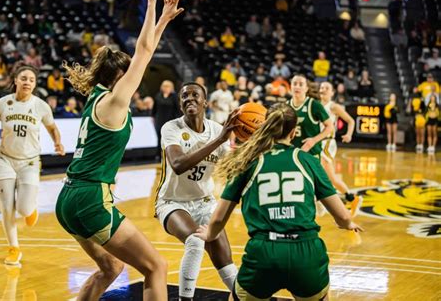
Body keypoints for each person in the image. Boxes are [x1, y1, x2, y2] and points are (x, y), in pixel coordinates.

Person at [55, 0, 183, 300]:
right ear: (121, 76)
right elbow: (144, 51)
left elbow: (143, 53)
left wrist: (162, 17)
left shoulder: (95, 98)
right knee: (156, 266)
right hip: (90, 199)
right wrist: (154, 6)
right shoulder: (115, 101)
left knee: (111, 267)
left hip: (68, 197)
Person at [195, 103, 364, 301]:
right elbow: (343, 215)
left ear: (265, 126)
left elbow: (218, 219)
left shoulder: (248, 161)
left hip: (264, 254)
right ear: (293, 132)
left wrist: (210, 233)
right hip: (306, 253)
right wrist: (348, 224)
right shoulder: (307, 160)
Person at [155, 82, 239, 300]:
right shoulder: (171, 128)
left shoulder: (217, 129)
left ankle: (242, 296)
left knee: (224, 260)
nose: (189, 98)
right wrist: (220, 140)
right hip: (172, 202)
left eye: (195, 95)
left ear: (205, 103)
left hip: (205, 202)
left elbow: (233, 168)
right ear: (180, 104)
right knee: (195, 240)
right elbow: (178, 164)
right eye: (185, 96)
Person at [0, 65, 65, 265]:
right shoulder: (1, 104)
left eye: (32, 80)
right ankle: (14, 248)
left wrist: (57, 142)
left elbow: (52, 127)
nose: (27, 82)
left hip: (30, 161)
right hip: (5, 160)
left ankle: (30, 209)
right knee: (7, 207)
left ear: (35, 84)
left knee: (24, 209)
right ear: (15, 80)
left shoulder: (41, 106)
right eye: (24, 78)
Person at [319, 82, 358, 204]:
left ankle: (345, 198)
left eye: (327, 88)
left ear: (332, 93)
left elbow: (350, 121)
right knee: (330, 177)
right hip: (317, 142)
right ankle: (349, 196)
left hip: (327, 143)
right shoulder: (315, 105)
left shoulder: (333, 106)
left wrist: (349, 134)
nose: (323, 89)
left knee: (327, 175)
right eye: (322, 87)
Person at [289, 75, 334, 158]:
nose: (297, 86)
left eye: (301, 84)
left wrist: (313, 141)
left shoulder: (314, 105)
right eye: (294, 84)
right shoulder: (286, 106)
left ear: (306, 88)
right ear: (290, 87)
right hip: (291, 153)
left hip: (311, 153)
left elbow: (330, 126)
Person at [152, 80, 181, 160]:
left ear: (171, 87)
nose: (165, 88)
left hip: (170, 121)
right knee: (159, 138)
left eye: (167, 86)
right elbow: (154, 108)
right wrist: (153, 117)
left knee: (169, 139)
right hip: (159, 120)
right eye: (164, 86)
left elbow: (178, 110)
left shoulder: (174, 96)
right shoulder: (158, 95)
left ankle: (171, 155)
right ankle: (159, 155)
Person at [407, 87, 426, 153]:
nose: (415, 90)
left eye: (416, 89)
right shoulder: (411, 98)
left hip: (421, 117)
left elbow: (424, 109)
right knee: (416, 132)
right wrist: (409, 103)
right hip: (414, 117)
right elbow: (408, 110)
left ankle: (422, 145)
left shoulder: (421, 98)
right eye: (414, 89)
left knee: (422, 132)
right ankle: (417, 144)